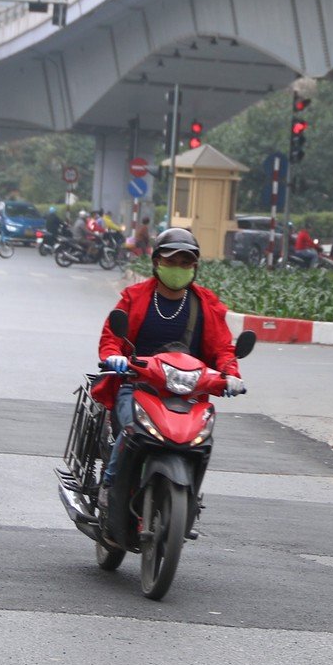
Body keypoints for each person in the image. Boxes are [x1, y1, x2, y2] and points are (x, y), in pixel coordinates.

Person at [93, 226, 244, 547]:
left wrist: (231, 374)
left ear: (195, 266)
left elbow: (223, 349)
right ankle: (109, 486)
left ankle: (190, 497)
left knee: (201, 441)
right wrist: (114, 358)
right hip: (137, 385)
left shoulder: (206, 304)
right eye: (171, 260)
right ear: (157, 262)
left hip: (187, 393)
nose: (178, 267)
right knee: (130, 428)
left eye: (186, 262)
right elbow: (111, 339)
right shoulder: (134, 298)